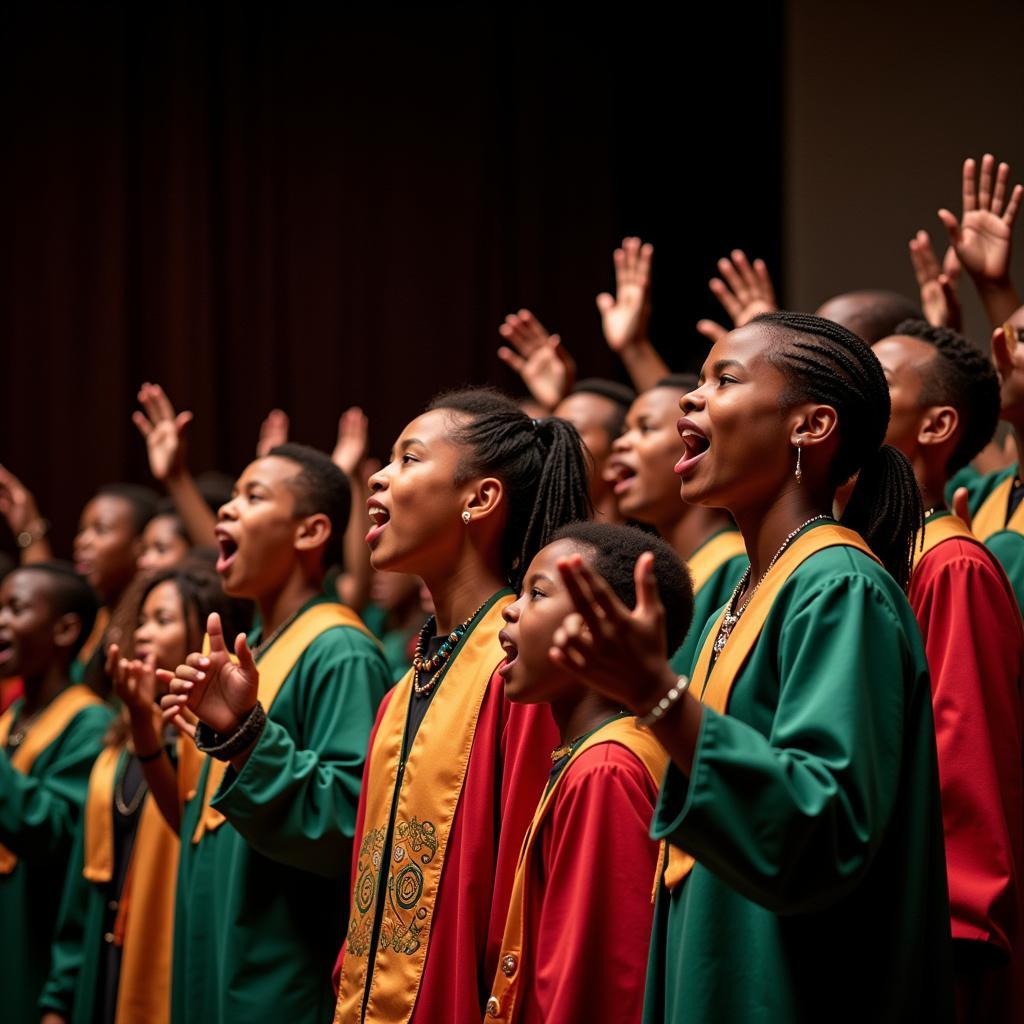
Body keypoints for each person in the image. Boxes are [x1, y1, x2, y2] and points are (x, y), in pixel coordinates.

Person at [547, 313, 953, 1021]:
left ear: (810, 426)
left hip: (792, 988)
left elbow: (825, 826)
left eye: (724, 380)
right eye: (697, 380)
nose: (689, 400)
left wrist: (655, 694)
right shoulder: (738, 598)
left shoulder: (840, 586)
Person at [333, 388, 591, 1023]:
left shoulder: (521, 670)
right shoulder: (407, 684)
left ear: (479, 499)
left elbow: (522, 903)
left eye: (409, 458)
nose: (379, 475)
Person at [160, 442, 391, 1024]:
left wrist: (244, 736)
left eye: (253, 496)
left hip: (281, 976)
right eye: (230, 496)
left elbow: (347, 823)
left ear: (312, 532)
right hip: (218, 960)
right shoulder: (258, 650)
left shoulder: (340, 650)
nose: (225, 511)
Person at [873, 319, 1024, 1020]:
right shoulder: (866, 559)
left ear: (935, 426)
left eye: (877, 381)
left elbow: (963, 771)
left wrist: (958, 946)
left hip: (930, 956)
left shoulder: (951, 565)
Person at [486, 521, 691, 1023]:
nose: (511, 609)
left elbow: (594, 984)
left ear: (601, 628)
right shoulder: (595, 755)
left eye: (538, 593)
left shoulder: (604, 771)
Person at [39, 565, 248, 1024]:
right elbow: (89, 869)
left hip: (169, 953)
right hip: (106, 949)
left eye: (164, 619)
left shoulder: (214, 741)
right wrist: (60, 994)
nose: (145, 633)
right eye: (144, 621)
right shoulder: (122, 736)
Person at [0, 563, 114, 1023]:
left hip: (35, 946)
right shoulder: (10, 719)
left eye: (16, 608)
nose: (1, 619)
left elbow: (50, 831)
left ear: (65, 629)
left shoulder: (91, 723)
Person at [604, 374, 746, 673]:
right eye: (624, 431)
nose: (620, 444)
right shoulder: (666, 572)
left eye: (645, 428)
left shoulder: (736, 567)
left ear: (694, 444)